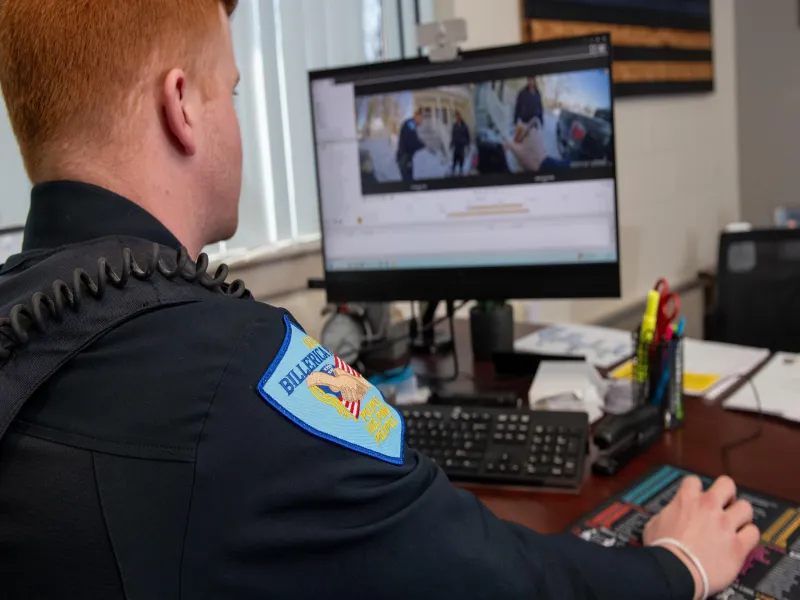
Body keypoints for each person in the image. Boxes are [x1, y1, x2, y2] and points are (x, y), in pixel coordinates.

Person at [0, 1, 759, 598]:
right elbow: (488, 575)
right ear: (182, 107)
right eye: (229, 91)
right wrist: (677, 564)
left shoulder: (30, 324)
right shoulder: (238, 372)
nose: (233, 114)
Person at [396, 107, 425, 181]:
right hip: (404, 157)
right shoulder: (410, 124)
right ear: (417, 116)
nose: (421, 122)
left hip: (406, 157)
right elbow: (411, 142)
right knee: (408, 181)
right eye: (421, 119)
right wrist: (424, 145)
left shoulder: (412, 125)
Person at [450, 110, 471, 175]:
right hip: (456, 144)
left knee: (461, 157)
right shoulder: (455, 126)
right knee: (455, 158)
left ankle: (461, 170)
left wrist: (468, 144)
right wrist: (451, 144)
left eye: (458, 116)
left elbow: (467, 135)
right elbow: (453, 135)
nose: (457, 118)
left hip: (462, 144)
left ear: (460, 117)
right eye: (456, 116)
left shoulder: (464, 126)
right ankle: (453, 170)